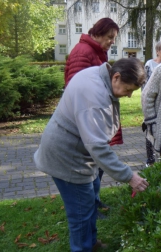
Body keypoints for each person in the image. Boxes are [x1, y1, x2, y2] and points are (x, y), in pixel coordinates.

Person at [34, 58, 149, 251]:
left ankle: (91, 243)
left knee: (89, 202)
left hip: (78, 151)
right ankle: (82, 247)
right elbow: (97, 146)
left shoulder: (101, 74)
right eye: (128, 90)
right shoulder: (94, 96)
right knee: (80, 212)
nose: (129, 96)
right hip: (67, 157)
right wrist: (129, 176)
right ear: (117, 77)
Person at [64, 17, 120, 212]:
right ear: (97, 33)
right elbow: (76, 89)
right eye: (109, 37)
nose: (112, 41)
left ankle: (94, 202)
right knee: (93, 165)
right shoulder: (83, 52)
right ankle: (91, 206)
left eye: (114, 38)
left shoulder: (97, 52)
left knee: (98, 166)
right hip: (87, 121)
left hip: (93, 119)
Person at [143, 41, 161, 166]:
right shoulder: (150, 64)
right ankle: (150, 160)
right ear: (158, 51)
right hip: (152, 103)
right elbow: (146, 85)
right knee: (151, 130)